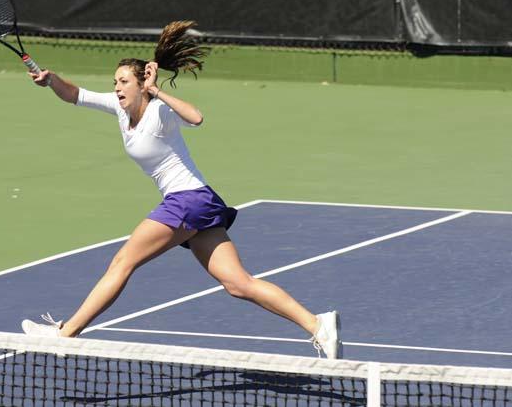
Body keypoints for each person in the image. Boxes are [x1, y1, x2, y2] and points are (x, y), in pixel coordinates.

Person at [20, 21, 341, 359]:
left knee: (123, 261)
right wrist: (51, 79)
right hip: (198, 202)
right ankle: (318, 325)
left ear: (143, 83)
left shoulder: (160, 111)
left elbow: (197, 117)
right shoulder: (119, 108)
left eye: (124, 81)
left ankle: (65, 334)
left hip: (186, 201)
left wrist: (157, 91)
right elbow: (75, 95)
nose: (117, 88)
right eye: (115, 82)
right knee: (238, 284)